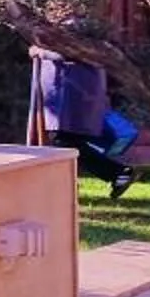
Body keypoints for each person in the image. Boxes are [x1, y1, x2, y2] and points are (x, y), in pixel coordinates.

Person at [30, 46, 133, 197]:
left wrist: (42, 52)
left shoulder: (77, 25)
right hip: (67, 88)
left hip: (74, 88)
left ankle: (117, 173)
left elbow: (76, 49)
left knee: (64, 141)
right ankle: (114, 174)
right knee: (67, 140)